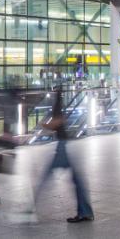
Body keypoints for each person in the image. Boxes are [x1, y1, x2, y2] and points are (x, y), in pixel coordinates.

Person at [24, 85, 93, 223]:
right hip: (65, 146)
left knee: (45, 178)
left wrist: (42, 124)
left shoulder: (57, 105)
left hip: (63, 147)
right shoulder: (59, 104)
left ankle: (29, 210)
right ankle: (85, 212)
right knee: (77, 181)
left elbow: (58, 122)